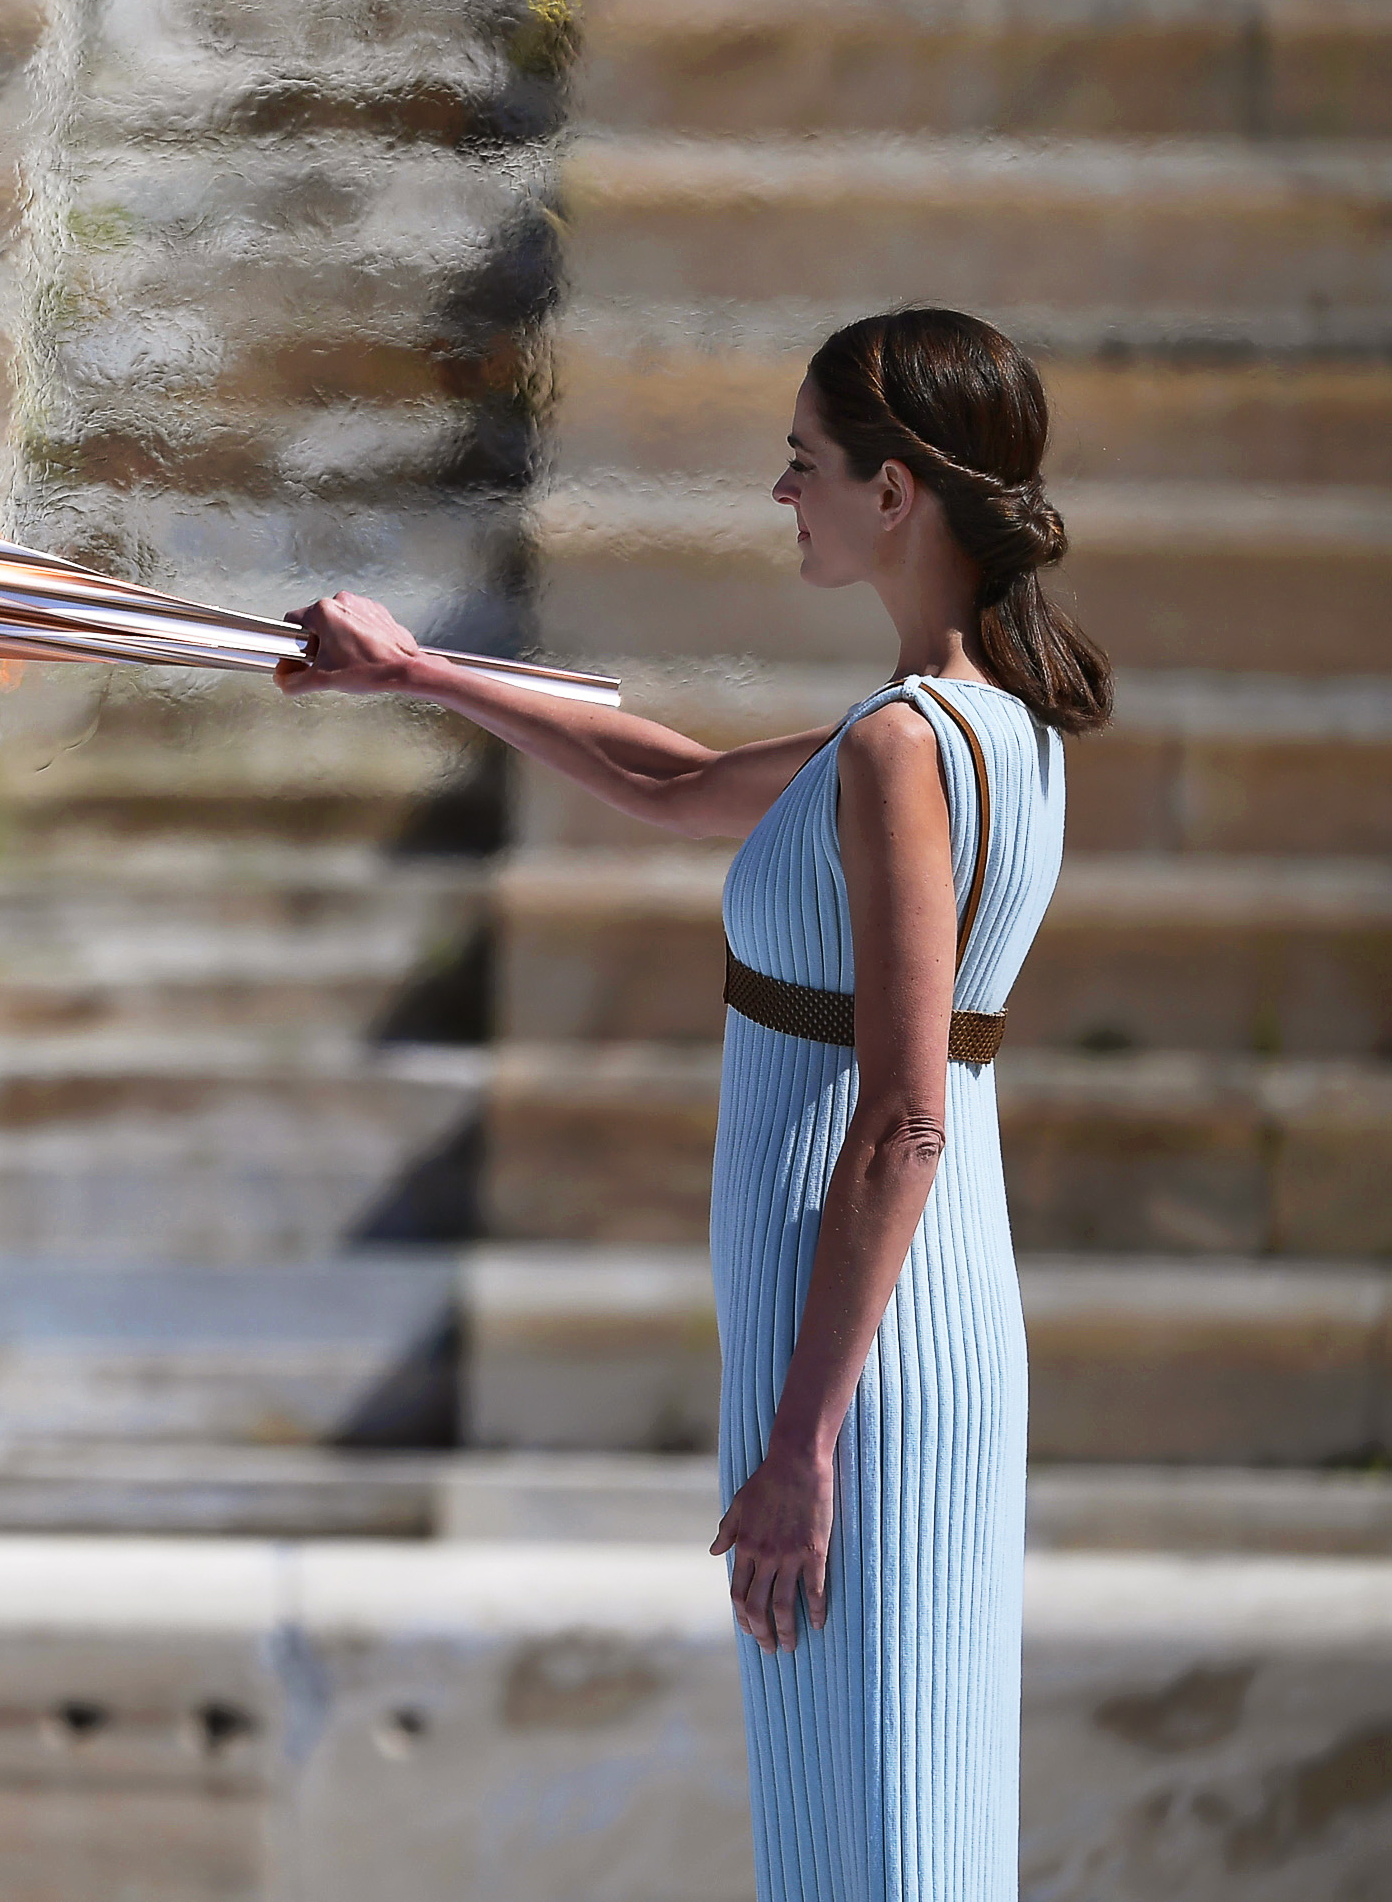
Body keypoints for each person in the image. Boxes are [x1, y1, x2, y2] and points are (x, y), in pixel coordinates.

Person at [281, 307, 1107, 1897]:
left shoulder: (901, 752)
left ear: (897, 495)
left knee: (884, 1841)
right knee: (872, 1823)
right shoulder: (984, 730)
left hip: (858, 1359)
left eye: (805, 465)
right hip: (893, 1337)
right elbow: (668, 780)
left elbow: (906, 1116)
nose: (780, 494)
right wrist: (415, 672)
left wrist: (805, 1435)